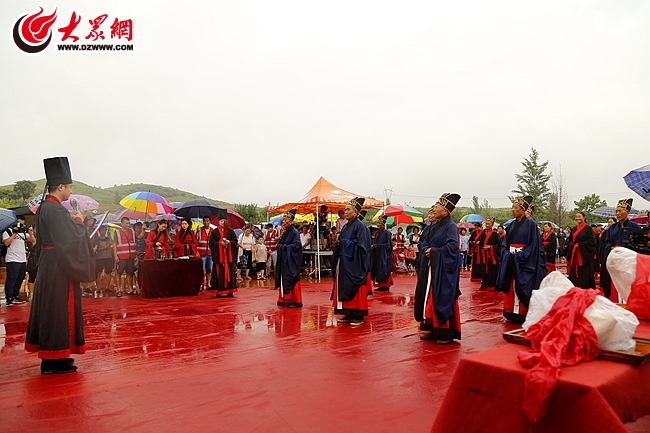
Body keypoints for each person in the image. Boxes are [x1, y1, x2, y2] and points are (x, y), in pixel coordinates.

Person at [25, 156, 95, 374]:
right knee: (57, 311)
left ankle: (57, 355)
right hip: (57, 267)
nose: (71, 192)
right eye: (70, 187)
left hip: (52, 264)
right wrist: (79, 222)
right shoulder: (55, 210)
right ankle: (52, 360)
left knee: (53, 310)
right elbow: (70, 238)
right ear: (61, 186)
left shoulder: (47, 207)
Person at [414, 193, 462, 344]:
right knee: (429, 297)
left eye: (438, 207)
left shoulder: (451, 226)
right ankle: (432, 328)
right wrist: (426, 249)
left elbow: (453, 247)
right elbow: (423, 242)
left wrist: (435, 252)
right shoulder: (433, 226)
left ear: (446, 211)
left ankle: (446, 332)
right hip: (431, 266)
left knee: (441, 296)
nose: (434, 209)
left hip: (442, 269)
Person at [495, 195, 547, 323]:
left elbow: (534, 244)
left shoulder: (531, 224)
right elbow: (505, 243)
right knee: (511, 284)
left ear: (523, 210)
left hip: (523, 259)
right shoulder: (511, 225)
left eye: (516, 208)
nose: (513, 210)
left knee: (523, 283)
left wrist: (521, 255)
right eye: (512, 207)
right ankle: (510, 312)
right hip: (511, 258)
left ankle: (523, 312)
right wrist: (506, 253)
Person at [331, 197, 371, 326]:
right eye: (345, 209)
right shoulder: (345, 227)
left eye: (348, 209)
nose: (345, 212)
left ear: (356, 211)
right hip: (345, 263)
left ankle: (358, 315)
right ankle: (348, 312)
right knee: (344, 286)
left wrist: (344, 244)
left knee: (356, 287)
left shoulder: (361, 227)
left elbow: (363, 247)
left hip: (355, 264)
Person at [601, 199, 641, 301]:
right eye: (616, 211)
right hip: (615, 259)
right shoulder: (613, 227)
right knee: (615, 283)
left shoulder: (635, 227)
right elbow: (608, 242)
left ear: (627, 212)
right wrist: (611, 247)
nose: (618, 214)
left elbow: (639, 243)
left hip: (629, 260)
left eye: (620, 211)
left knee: (628, 283)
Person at [2, 215, 35, 306]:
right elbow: (6, 243)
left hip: (22, 259)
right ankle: (9, 297)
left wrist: (31, 232)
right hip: (12, 259)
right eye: (19, 223)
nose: (20, 225)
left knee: (20, 278)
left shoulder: (23, 233)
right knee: (12, 278)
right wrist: (14, 233)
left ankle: (15, 295)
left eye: (22, 224)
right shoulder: (7, 231)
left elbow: (32, 240)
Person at [275, 209, 302, 307]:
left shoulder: (294, 232)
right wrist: (281, 247)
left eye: (286, 220)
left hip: (291, 260)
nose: (283, 222)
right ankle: (284, 299)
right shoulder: (285, 232)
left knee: (292, 279)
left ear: (290, 221)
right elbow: (280, 244)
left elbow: (297, 246)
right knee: (284, 278)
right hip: (285, 260)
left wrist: (285, 248)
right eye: (283, 220)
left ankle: (294, 300)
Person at [209, 208, 238, 298]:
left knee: (230, 273)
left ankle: (230, 291)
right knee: (219, 274)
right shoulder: (215, 232)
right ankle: (219, 291)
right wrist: (219, 244)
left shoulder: (230, 231)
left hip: (228, 257)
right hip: (220, 258)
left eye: (224, 221)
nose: (222, 222)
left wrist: (229, 243)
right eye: (221, 221)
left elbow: (235, 242)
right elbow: (211, 243)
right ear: (218, 222)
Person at [564, 211, 596, 290]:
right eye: (576, 217)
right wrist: (572, 246)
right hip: (574, 256)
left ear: (584, 218)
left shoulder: (588, 229)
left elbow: (592, 242)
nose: (577, 218)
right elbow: (569, 240)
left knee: (584, 275)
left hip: (583, 256)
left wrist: (579, 246)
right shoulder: (574, 229)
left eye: (579, 216)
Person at [113, 217, 137, 296]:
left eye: (129, 223)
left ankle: (129, 288)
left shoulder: (132, 231)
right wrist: (115, 255)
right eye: (126, 223)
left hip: (131, 256)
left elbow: (138, 238)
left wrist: (143, 230)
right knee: (118, 273)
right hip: (121, 256)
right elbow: (114, 244)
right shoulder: (117, 232)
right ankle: (118, 289)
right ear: (122, 223)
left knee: (130, 273)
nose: (128, 225)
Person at [371, 215, 393, 292]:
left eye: (379, 223)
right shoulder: (377, 232)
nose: (378, 224)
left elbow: (389, 245)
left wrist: (379, 246)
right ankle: (380, 286)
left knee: (384, 269)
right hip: (378, 254)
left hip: (384, 255)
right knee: (377, 269)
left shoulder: (387, 233)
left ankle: (386, 286)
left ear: (383, 224)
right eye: (377, 223)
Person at [480, 217, 500, 291]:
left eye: (488, 224)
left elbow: (499, 245)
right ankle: (485, 285)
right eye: (486, 224)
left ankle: (493, 286)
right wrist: (483, 247)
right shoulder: (483, 234)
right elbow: (481, 244)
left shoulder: (495, 234)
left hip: (492, 256)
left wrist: (491, 247)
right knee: (485, 270)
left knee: (492, 271)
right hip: (485, 255)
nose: (487, 225)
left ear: (492, 225)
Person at [93, 225, 114, 296]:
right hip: (99, 258)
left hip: (108, 257)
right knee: (98, 272)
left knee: (108, 272)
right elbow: (96, 249)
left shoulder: (108, 238)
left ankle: (107, 286)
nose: (103, 231)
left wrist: (110, 236)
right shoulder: (97, 239)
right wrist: (103, 248)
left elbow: (112, 243)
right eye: (102, 230)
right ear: (99, 231)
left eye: (104, 230)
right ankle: (98, 287)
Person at [196, 216, 213, 289]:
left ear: (210, 222)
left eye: (207, 221)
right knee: (202, 270)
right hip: (201, 253)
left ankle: (208, 283)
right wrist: (196, 232)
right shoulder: (199, 230)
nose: (206, 222)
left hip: (210, 253)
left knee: (209, 269)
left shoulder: (213, 230)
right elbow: (196, 240)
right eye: (204, 221)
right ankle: (202, 283)